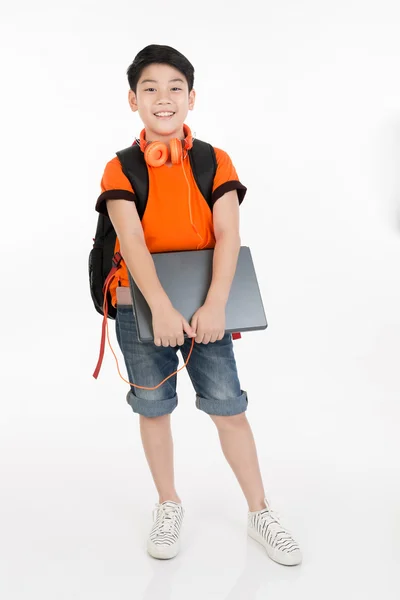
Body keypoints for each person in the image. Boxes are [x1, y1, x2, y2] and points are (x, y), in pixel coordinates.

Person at [95, 44, 302, 566]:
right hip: (140, 308)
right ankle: (168, 504)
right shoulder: (120, 168)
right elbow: (133, 242)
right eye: (150, 89)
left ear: (192, 98)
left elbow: (228, 234)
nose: (163, 99)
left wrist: (214, 306)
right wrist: (160, 309)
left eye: (174, 89)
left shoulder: (214, 160)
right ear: (132, 99)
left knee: (229, 406)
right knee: (154, 408)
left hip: (208, 307)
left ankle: (260, 511)